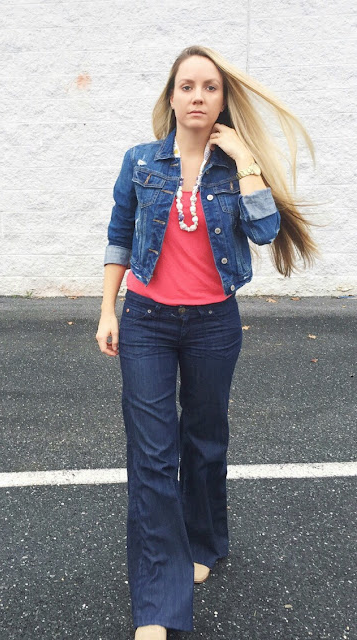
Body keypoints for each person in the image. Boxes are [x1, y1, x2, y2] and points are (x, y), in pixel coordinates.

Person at [95, 45, 317, 640]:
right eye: (187, 86)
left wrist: (245, 159)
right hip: (146, 321)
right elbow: (119, 236)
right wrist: (107, 310)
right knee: (152, 455)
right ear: (171, 97)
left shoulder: (232, 168)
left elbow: (265, 231)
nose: (197, 96)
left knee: (204, 440)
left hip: (214, 324)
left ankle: (204, 541)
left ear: (222, 100)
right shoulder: (140, 161)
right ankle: (157, 606)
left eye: (209, 88)